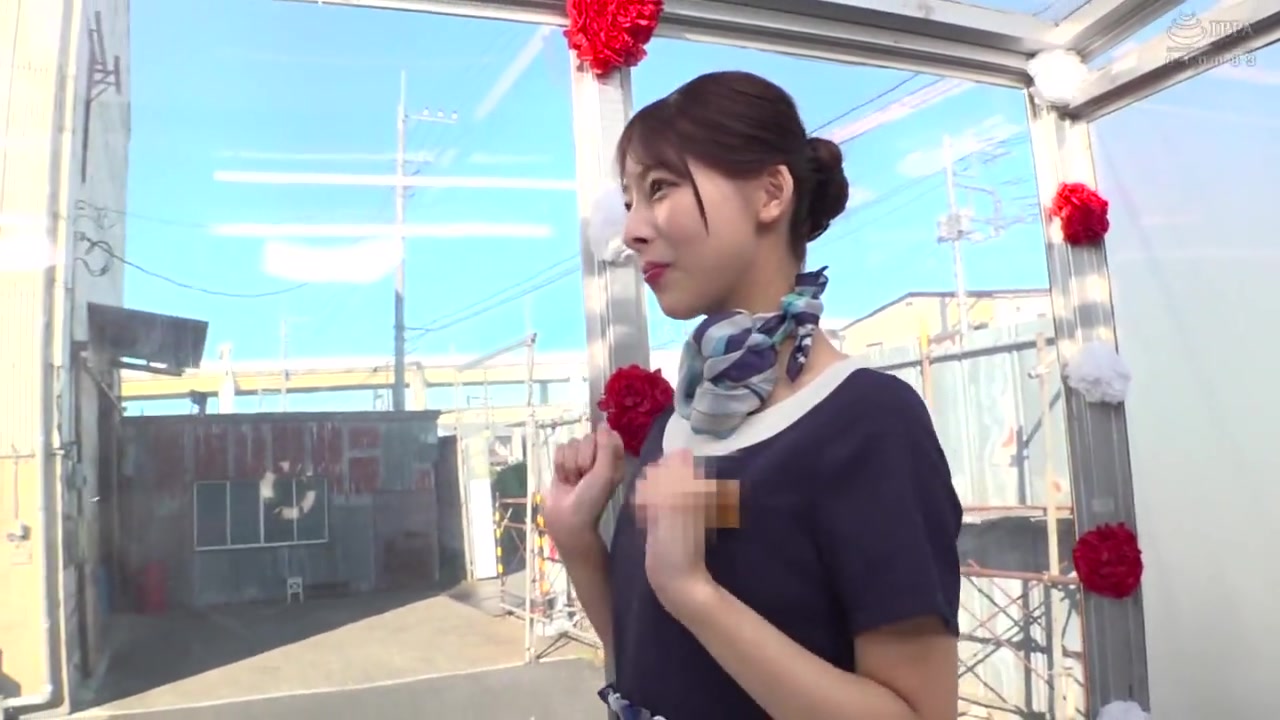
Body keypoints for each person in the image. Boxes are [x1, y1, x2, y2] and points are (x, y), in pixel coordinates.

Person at [545, 70, 962, 720]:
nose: (632, 229)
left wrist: (694, 592)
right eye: (629, 200)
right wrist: (576, 540)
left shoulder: (868, 422)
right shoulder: (675, 423)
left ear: (771, 193)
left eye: (660, 188)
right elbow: (652, 666)